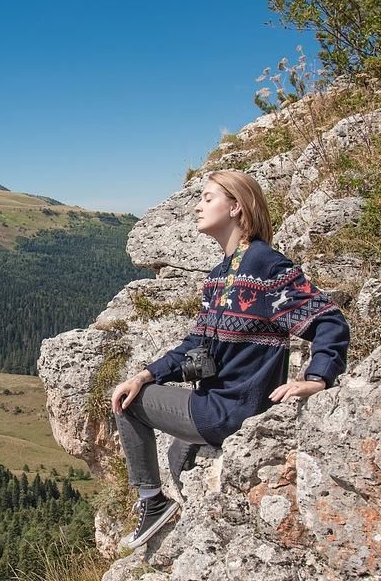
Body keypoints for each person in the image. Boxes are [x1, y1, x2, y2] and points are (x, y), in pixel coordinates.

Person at [110, 170, 349, 549]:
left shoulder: (266, 266)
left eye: (207, 198)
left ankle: (151, 501)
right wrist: (145, 373)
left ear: (236, 206)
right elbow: (196, 341)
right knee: (178, 452)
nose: (196, 206)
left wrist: (318, 378)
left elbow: (329, 322)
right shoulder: (219, 276)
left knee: (129, 402)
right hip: (216, 401)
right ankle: (201, 536)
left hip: (234, 407)